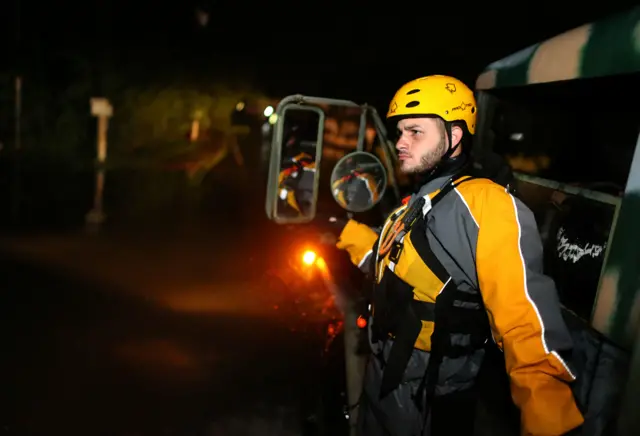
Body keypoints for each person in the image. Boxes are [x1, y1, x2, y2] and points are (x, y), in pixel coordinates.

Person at [333, 75, 584, 436]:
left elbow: (524, 324)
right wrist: (344, 234)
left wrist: (548, 417)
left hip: (429, 397)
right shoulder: (418, 200)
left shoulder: (487, 205)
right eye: (400, 131)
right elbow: (390, 263)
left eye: (415, 132)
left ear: (453, 137)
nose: (401, 142)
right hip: (384, 379)